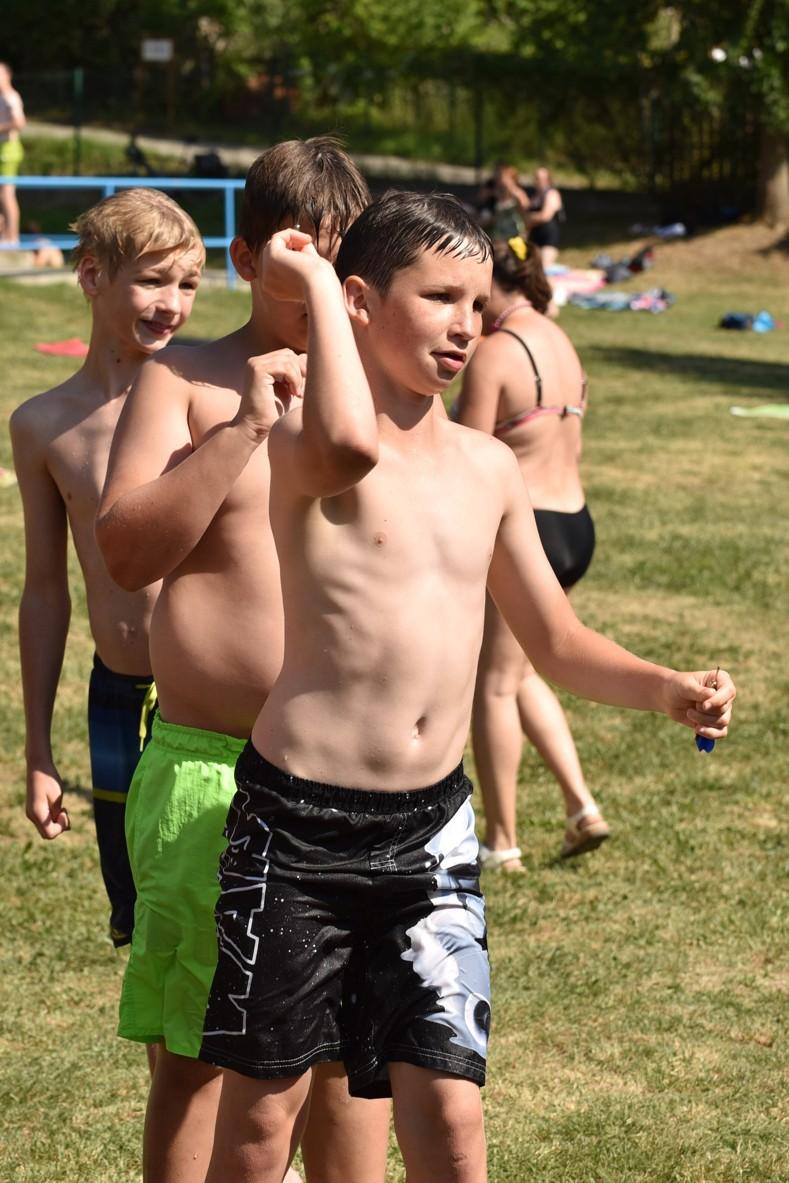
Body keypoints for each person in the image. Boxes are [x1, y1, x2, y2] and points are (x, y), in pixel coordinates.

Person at [196, 192, 735, 1183]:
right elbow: (351, 442)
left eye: (477, 304)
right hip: (296, 831)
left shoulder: (487, 468)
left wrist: (665, 688)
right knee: (263, 1127)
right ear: (360, 301)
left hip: (431, 835)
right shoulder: (306, 444)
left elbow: (555, 639)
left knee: (451, 1119)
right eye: (439, 297)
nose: (464, 325)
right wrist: (312, 276)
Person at [95, 139, 390, 1183]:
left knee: (344, 1066)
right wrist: (244, 428)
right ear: (245, 257)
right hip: (213, 771)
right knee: (197, 1057)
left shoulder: (383, 393)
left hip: (351, 785)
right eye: (300, 259)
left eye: (341, 264)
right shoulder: (182, 382)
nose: (322, 287)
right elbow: (125, 554)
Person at [10, 189, 204, 959]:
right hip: (118, 698)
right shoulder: (43, 424)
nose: (173, 304)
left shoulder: (210, 398)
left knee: (230, 916)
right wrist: (37, 750)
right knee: (144, 918)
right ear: (92, 275)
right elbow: (44, 591)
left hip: (213, 701)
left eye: (188, 284)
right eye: (153, 280)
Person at [454, 236, 608, 868]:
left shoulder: (496, 351)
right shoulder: (559, 338)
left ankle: (502, 842)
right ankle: (581, 807)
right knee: (521, 673)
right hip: (575, 524)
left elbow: (464, 452)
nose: (465, 312)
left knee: (492, 685)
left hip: (529, 528)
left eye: (473, 297)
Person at [0, 61, 25, 242]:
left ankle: (12, 236)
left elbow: (19, 122)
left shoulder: (10, 97)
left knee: (6, 193)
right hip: (3, 147)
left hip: (8, 149)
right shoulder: (3, 97)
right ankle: (5, 233)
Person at [475, 161, 530, 241]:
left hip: (515, 230)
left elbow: (526, 209)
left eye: (503, 177)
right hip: (500, 231)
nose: (500, 179)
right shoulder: (497, 191)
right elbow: (481, 199)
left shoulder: (518, 193)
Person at [526, 166, 563, 268]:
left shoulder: (552, 194)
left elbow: (545, 216)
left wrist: (529, 218)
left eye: (541, 178)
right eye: (536, 178)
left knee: (544, 267)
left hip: (548, 238)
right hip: (534, 238)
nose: (538, 181)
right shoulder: (534, 197)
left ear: (548, 179)